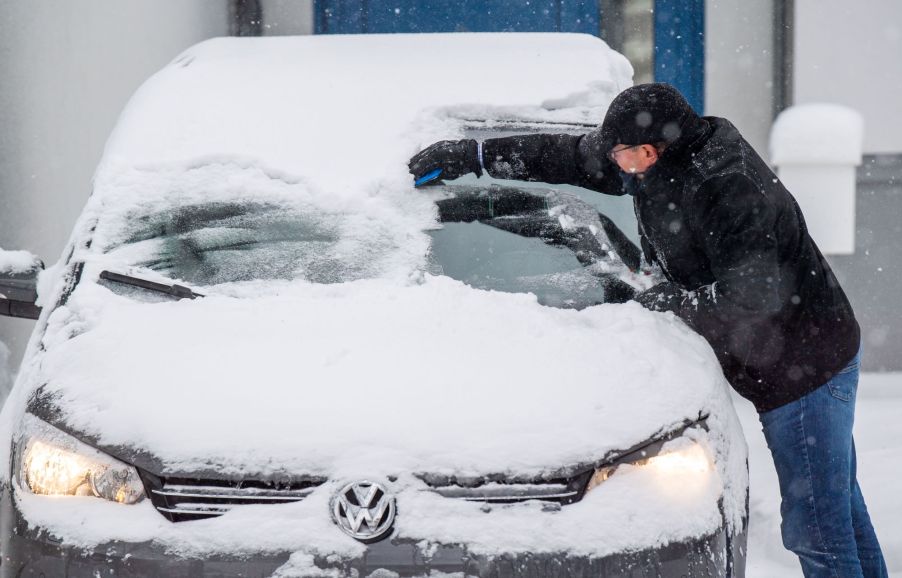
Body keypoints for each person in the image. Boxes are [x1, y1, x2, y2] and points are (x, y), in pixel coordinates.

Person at [408, 83, 887, 578]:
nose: (612, 164)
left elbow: (753, 298)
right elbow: (567, 156)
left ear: (652, 150)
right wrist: (477, 155)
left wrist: (670, 302)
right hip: (789, 358)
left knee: (816, 525)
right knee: (838, 510)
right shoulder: (648, 158)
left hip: (805, 369)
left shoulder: (729, 188)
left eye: (621, 155)